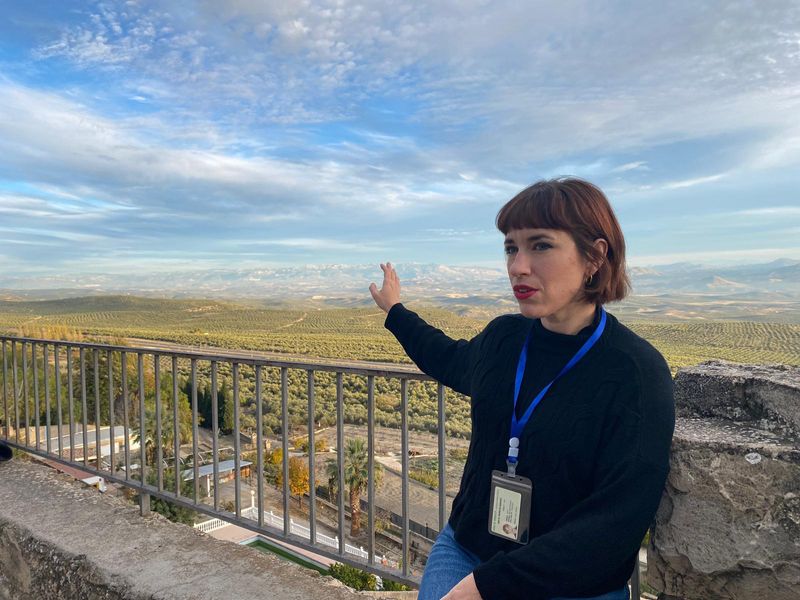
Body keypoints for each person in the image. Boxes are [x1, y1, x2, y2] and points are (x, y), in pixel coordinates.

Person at [369, 178, 675, 600]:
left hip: (571, 585)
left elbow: (614, 523)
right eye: (511, 248)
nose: (518, 266)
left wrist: (485, 587)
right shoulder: (505, 338)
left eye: (541, 245)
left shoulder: (636, 373)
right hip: (468, 549)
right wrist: (396, 311)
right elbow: (450, 359)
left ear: (594, 256)